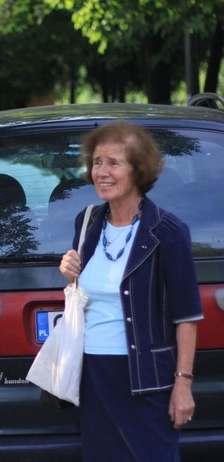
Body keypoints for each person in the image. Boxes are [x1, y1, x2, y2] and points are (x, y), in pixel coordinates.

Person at [59, 120, 204, 461]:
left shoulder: (168, 231)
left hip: (146, 380)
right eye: (96, 162)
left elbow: (186, 317)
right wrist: (70, 273)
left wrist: (182, 385)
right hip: (93, 376)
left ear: (138, 171)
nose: (101, 172)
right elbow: (86, 293)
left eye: (113, 163)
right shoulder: (88, 221)